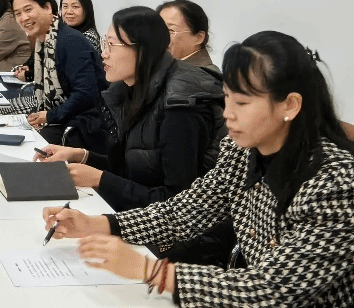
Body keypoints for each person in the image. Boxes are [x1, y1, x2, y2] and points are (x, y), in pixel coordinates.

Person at [42, 32, 354, 306]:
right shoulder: (242, 152)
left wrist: (151, 271)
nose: (228, 114)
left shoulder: (335, 184)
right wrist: (96, 224)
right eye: (227, 98)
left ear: (290, 105)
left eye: (242, 103)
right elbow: (183, 213)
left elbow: (271, 290)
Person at [36, 6, 225, 212]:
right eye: (104, 43)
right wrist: (81, 155)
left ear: (142, 50)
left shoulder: (180, 106)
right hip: (141, 213)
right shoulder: (129, 91)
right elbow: (134, 168)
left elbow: (177, 202)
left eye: (111, 45)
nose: (103, 54)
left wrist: (100, 179)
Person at [0, 0, 107, 148]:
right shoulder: (45, 39)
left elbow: (86, 94)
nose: (24, 18)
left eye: (28, 10)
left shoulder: (71, 41)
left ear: (48, 7)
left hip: (79, 123)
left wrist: (50, 116)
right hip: (56, 113)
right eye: (18, 14)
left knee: (22, 145)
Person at [158, 0, 219, 75]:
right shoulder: (164, 70)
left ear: (198, 37)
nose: (161, 37)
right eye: (159, 30)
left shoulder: (205, 75)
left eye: (170, 30)